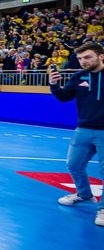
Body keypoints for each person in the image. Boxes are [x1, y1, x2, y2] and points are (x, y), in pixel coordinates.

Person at [49, 42, 104, 227]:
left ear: (101, 56)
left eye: (87, 57)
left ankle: (103, 209)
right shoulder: (78, 76)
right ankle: (84, 195)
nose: (83, 61)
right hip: (83, 130)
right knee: (74, 164)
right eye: (80, 58)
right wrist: (54, 85)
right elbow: (65, 97)